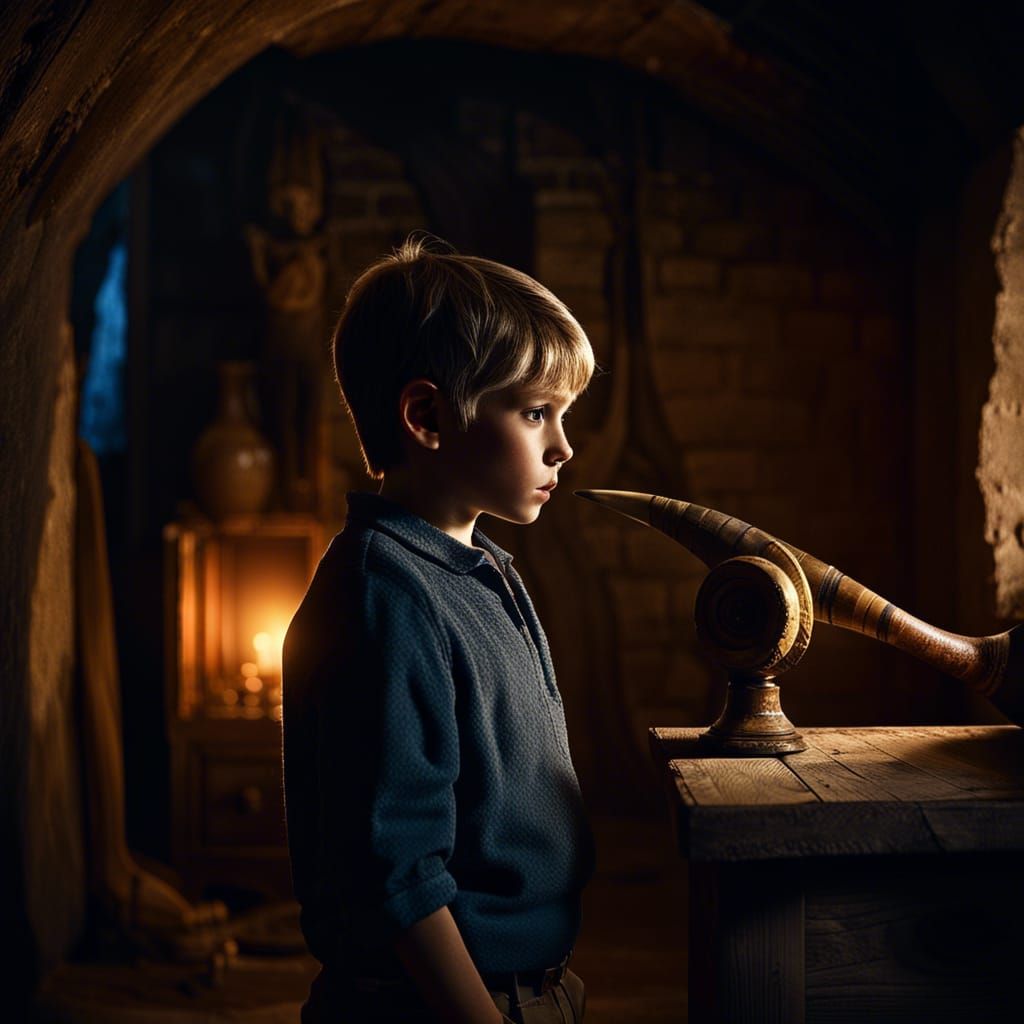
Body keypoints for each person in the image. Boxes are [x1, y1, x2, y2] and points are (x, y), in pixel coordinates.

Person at [282, 236, 596, 1023]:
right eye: (536, 413)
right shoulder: (385, 599)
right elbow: (396, 875)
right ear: (426, 416)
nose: (563, 447)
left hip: (535, 988)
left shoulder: (485, 570)